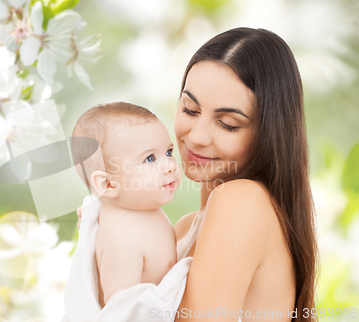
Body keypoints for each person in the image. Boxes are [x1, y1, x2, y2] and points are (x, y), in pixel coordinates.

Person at [78, 27, 319, 322]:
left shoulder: (243, 201)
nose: (197, 137)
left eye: (228, 124)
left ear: (268, 134)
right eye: (190, 109)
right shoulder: (180, 229)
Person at [70, 102, 183, 308]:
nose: (170, 165)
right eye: (150, 158)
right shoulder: (121, 237)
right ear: (108, 184)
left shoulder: (142, 208)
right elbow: (122, 307)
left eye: (168, 152)